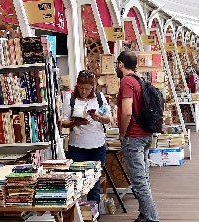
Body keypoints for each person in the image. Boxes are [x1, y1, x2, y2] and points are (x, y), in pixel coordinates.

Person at [115, 51, 159, 222]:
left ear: (120, 64)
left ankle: (151, 218)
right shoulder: (140, 80)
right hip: (146, 134)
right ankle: (144, 215)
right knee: (144, 178)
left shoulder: (126, 81)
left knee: (139, 181)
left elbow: (126, 112)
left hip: (133, 135)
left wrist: (122, 133)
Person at [62, 70, 112, 205]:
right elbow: (63, 121)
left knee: (94, 186)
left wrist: (99, 118)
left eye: (88, 89)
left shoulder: (99, 97)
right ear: (77, 85)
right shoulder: (70, 99)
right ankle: (79, 215)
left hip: (97, 146)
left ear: (93, 87)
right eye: (81, 88)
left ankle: (93, 216)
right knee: (76, 183)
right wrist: (76, 123)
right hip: (77, 147)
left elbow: (109, 118)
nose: (84, 91)